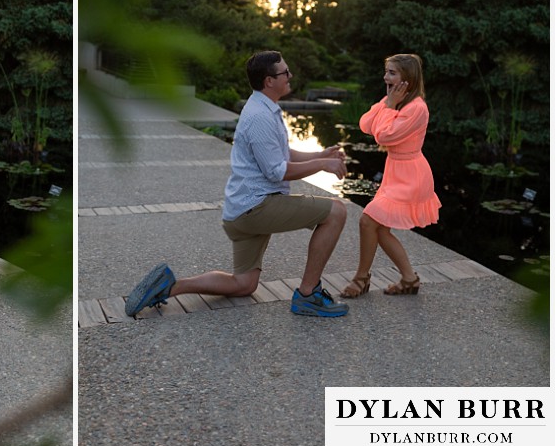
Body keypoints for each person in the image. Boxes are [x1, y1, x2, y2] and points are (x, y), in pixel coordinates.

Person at [125, 50, 351, 318]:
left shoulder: (265, 108)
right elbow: (277, 171)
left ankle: (170, 286)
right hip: (257, 207)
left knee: (244, 284)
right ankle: (308, 295)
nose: (290, 76)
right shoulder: (259, 116)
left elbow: (283, 154)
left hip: (243, 211)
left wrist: (321, 154)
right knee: (336, 211)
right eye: (285, 73)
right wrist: (323, 166)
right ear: (269, 80)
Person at [340, 53, 440, 298]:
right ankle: (409, 279)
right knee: (380, 228)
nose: (386, 77)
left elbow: (384, 136)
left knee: (367, 220)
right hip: (395, 173)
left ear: (408, 77)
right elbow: (365, 124)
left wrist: (389, 108)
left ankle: (361, 279)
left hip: (411, 175)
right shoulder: (394, 100)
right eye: (387, 71)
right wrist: (388, 105)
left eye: (392, 72)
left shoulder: (417, 108)